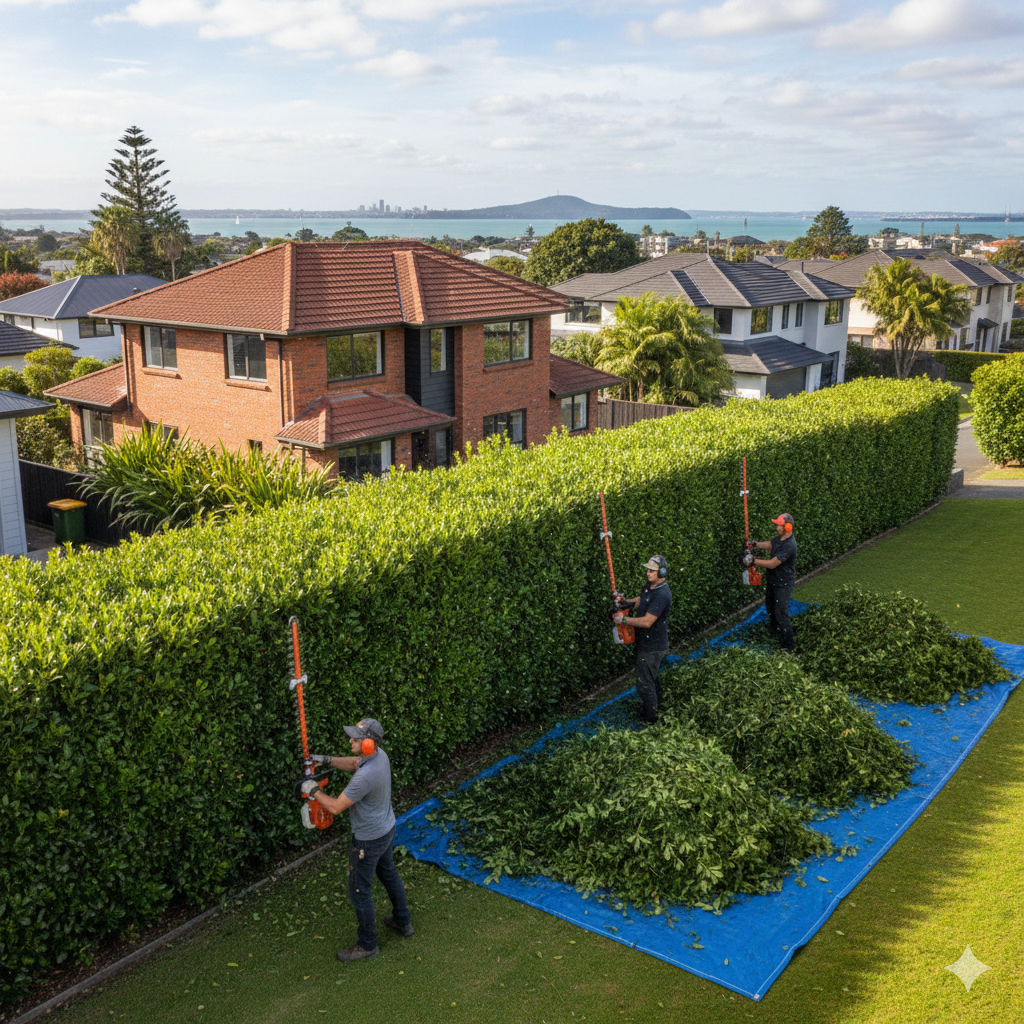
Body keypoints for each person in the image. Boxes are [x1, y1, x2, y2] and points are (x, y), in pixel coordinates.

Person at [306, 718, 413, 962]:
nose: (351, 740)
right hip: (386, 829)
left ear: (367, 743)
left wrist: (313, 790)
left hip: (368, 840)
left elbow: (334, 807)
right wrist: (325, 760)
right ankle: (402, 921)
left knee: (359, 891)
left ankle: (367, 945)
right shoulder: (379, 755)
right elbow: (355, 763)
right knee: (388, 873)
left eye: (356, 737)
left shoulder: (365, 778)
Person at [613, 555, 673, 724]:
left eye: (652, 571)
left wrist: (623, 620)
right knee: (651, 679)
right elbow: (641, 601)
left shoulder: (662, 594)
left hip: (653, 646)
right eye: (647, 570)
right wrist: (625, 604)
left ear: (661, 572)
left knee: (644, 684)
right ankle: (659, 707)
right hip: (646, 643)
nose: (648, 573)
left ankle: (651, 719)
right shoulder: (650, 587)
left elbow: (647, 621)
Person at [751, 513, 798, 651]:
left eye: (779, 525)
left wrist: (753, 561)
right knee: (770, 607)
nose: (777, 527)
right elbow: (770, 545)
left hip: (784, 583)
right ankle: (775, 633)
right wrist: (754, 545)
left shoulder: (790, 545)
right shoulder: (779, 539)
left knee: (781, 613)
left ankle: (789, 647)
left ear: (787, 527)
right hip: (773, 580)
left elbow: (772, 564)